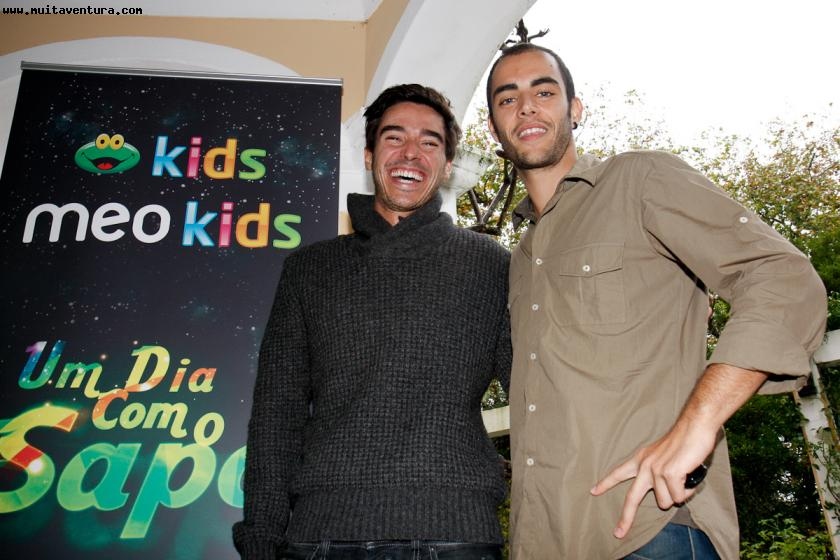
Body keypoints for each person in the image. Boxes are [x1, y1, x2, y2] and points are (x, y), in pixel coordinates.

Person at [485, 42, 827, 559]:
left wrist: (697, 424)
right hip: (546, 541)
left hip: (652, 527)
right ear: (494, 128)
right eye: (508, 99)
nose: (527, 107)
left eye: (545, 92)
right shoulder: (521, 257)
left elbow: (782, 276)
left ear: (575, 110)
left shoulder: (640, 179)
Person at [232, 83, 511, 560]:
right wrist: (262, 534)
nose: (411, 153)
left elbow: (537, 398)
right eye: (394, 137)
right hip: (321, 536)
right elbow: (278, 414)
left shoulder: (491, 265)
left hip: (456, 534)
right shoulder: (309, 269)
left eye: (429, 142)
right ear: (368, 155)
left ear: (447, 165)